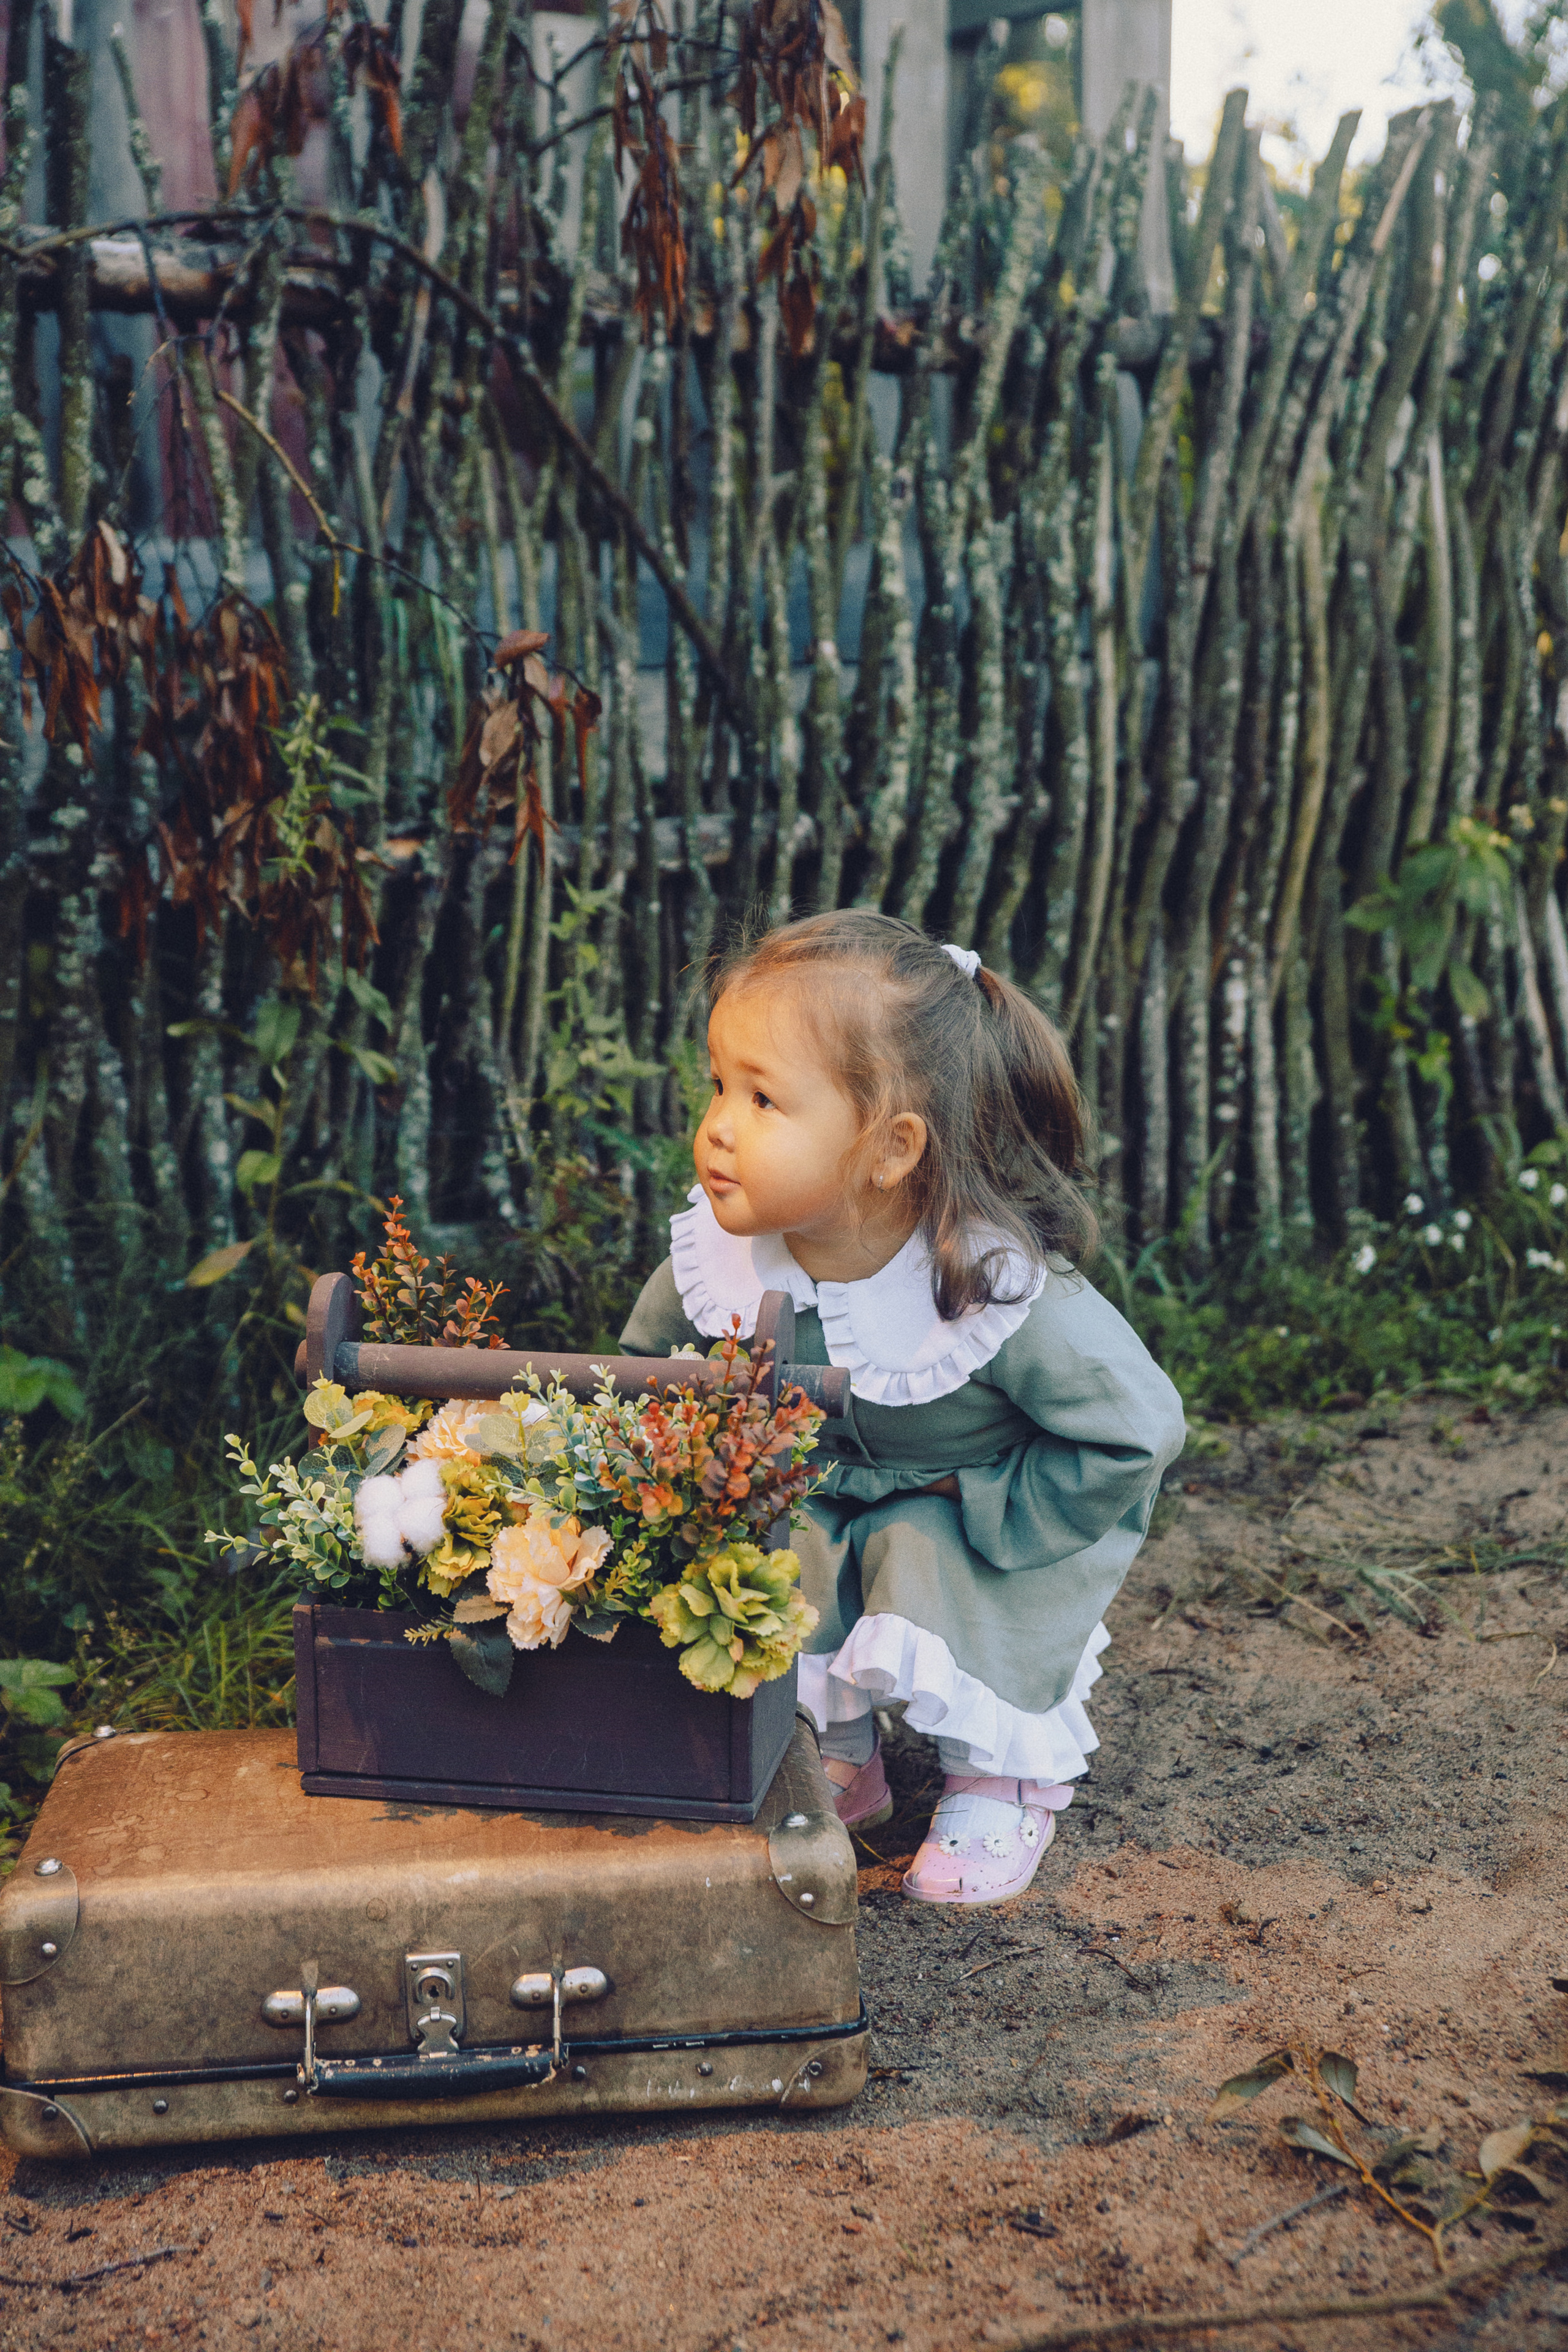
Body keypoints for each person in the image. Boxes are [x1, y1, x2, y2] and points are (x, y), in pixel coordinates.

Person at [619, 913, 1186, 1905]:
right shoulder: (721, 1260)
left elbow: (1138, 1429)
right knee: (770, 1537)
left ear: (890, 1150)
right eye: (719, 1085)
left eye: (763, 1098)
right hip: (819, 1490)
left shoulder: (985, 1286)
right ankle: (837, 1747)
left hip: (969, 1513)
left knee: (921, 1546)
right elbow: (644, 1372)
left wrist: (988, 1497)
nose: (718, 1125)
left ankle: (998, 1772)